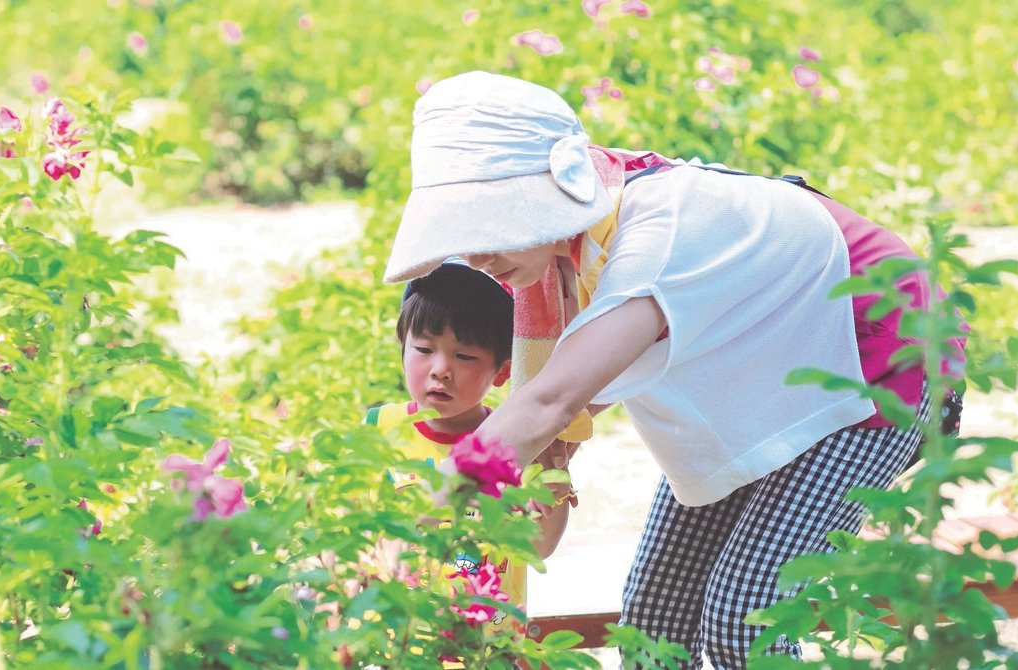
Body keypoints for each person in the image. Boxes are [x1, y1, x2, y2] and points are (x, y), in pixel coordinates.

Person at [381, 71, 965, 668]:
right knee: (655, 615)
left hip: (879, 360)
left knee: (748, 614)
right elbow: (576, 391)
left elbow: (552, 400)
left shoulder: (655, 234)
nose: (476, 257)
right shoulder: (579, 241)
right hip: (762, 370)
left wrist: (424, 518)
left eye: (487, 227)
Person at [364, 260, 577, 630]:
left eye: (464, 356)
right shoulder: (377, 430)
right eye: (424, 349)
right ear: (402, 347)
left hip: (486, 647)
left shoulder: (518, 441)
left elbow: (538, 547)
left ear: (504, 371)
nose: (441, 369)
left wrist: (553, 496)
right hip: (396, 643)